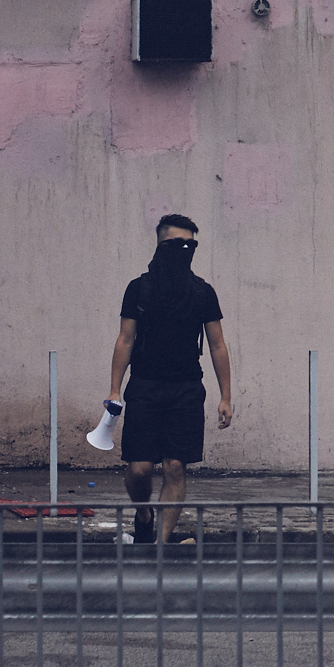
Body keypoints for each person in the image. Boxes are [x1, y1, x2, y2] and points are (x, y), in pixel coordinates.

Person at [105, 214, 233, 545]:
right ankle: (144, 515)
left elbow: (217, 345)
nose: (183, 251)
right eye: (176, 244)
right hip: (145, 386)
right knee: (140, 470)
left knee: (175, 466)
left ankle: (158, 548)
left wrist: (226, 396)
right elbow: (125, 339)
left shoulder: (202, 292)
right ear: (160, 245)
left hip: (186, 389)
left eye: (190, 245)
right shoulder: (139, 289)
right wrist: (114, 389)